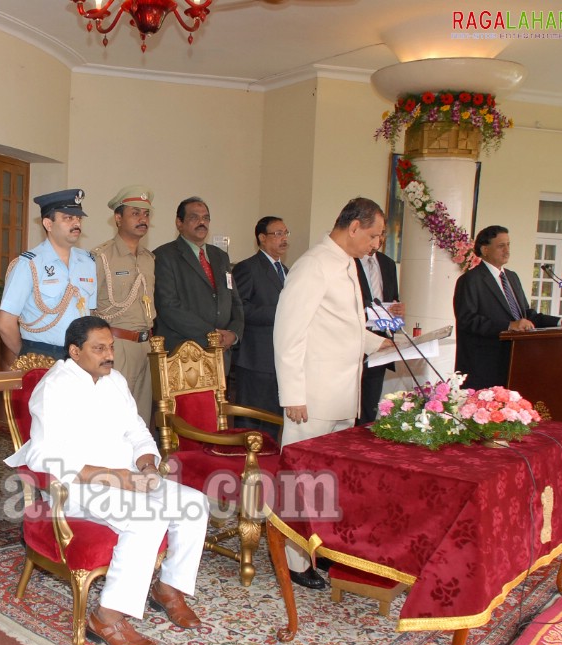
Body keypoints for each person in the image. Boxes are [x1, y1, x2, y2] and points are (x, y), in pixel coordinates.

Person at [5, 316, 209, 645]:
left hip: (129, 477)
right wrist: (116, 478)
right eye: (99, 348)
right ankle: (106, 615)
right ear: (75, 351)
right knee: (148, 517)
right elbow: (43, 455)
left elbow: (137, 430)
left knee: (195, 503)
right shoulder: (55, 387)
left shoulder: (114, 380)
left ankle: (168, 588)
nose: (109, 355)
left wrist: (146, 463)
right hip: (78, 487)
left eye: (111, 346)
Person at [273, 197, 391, 589]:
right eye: (374, 235)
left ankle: (317, 550)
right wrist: (293, 393)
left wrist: (384, 346)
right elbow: (289, 332)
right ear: (353, 227)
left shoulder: (348, 265)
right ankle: (293, 560)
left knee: (328, 481)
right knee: (301, 481)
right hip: (313, 396)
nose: (376, 244)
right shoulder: (314, 264)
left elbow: (344, 326)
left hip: (341, 393)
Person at [454, 225, 562, 390]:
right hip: (484, 366)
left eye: (508, 245)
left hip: (515, 362)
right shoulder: (471, 280)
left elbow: (527, 316)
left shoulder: (512, 277)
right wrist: (509, 326)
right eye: (501, 246)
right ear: (485, 249)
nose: (507, 250)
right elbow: (467, 320)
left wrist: (561, 322)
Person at [0, 189, 97, 362]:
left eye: (78, 218)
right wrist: (27, 355)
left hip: (80, 356)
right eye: (68, 218)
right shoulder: (29, 264)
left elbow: (91, 313)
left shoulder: (88, 262)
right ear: (48, 224)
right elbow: (5, 324)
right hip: (41, 355)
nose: (76, 223)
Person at [91, 185, 156, 423]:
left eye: (146, 214)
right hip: (116, 346)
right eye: (135, 213)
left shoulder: (149, 260)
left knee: (141, 419)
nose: (143, 219)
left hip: (145, 345)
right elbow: (89, 308)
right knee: (113, 415)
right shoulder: (102, 256)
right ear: (118, 218)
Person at [154, 197, 243, 365]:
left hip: (221, 353)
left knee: (220, 393)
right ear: (179, 223)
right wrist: (211, 335)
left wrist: (233, 333)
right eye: (194, 217)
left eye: (206, 218)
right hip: (184, 353)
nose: (202, 222)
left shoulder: (220, 256)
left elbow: (235, 301)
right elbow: (168, 306)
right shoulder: (164, 256)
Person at [231, 216, 290, 438]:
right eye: (277, 234)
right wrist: (280, 313)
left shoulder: (286, 270)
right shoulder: (248, 268)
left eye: (285, 233)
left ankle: (269, 464)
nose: (283, 239)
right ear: (262, 238)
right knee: (252, 422)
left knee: (273, 420)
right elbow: (239, 309)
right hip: (255, 358)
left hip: (278, 358)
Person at [355, 233, 404, 424]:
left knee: (370, 403)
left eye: (384, 234)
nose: (380, 239)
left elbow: (392, 299)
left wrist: (398, 310)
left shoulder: (388, 263)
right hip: (358, 339)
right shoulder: (351, 260)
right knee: (352, 406)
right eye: (375, 234)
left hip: (382, 343)